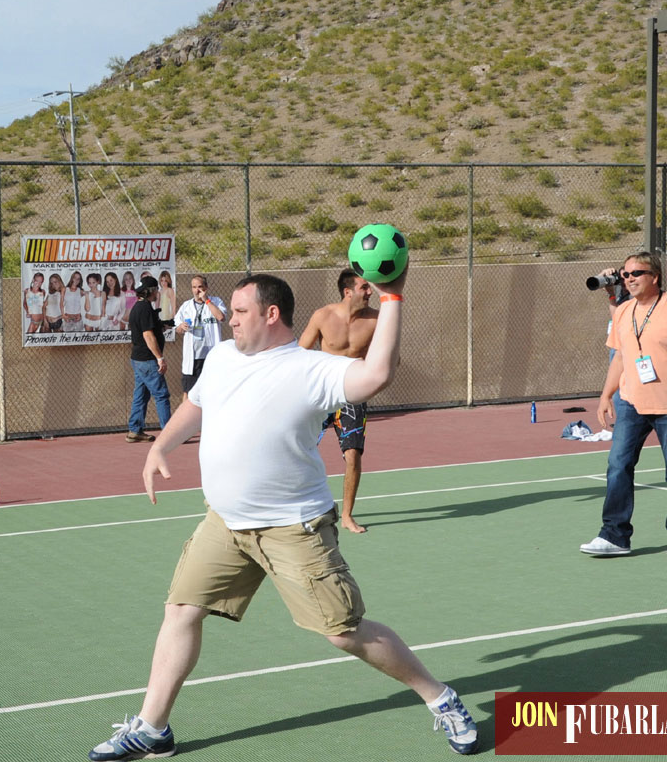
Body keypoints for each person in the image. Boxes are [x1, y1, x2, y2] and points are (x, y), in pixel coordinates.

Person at [89, 272, 479, 760]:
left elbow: (376, 374)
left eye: (239, 312)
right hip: (225, 523)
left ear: (271, 315)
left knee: (344, 630)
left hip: (293, 527)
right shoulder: (225, 357)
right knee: (181, 610)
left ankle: (440, 697)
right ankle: (153, 727)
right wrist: (160, 445)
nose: (228, 320)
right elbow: (196, 403)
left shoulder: (311, 369)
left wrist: (393, 297)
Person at [580, 251, 667, 559]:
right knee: (618, 467)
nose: (629, 279)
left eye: (636, 274)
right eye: (625, 274)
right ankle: (614, 535)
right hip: (630, 404)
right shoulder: (624, 312)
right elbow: (621, 358)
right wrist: (605, 396)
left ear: (654, 277)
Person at [299, 269, 379, 534]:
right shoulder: (323, 316)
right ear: (348, 292)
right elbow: (300, 353)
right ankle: (297, 509)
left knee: (353, 455)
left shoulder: (375, 320)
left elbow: (387, 356)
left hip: (352, 394)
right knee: (300, 452)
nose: (370, 292)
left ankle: (346, 516)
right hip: (321, 395)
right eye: (364, 287)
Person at [125, 275, 171, 444]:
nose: (158, 292)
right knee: (162, 395)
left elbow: (151, 329)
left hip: (138, 359)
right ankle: (168, 434)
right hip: (147, 360)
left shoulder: (140, 307)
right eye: (156, 289)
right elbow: (147, 334)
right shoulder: (144, 308)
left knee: (141, 395)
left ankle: (135, 431)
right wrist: (160, 358)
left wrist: (162, 326)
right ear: (151, 291)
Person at [171, 275, 226, 399]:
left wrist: (207, 300)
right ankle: (186, 418)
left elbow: (221, 317)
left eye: (200, 287)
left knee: (212, 391)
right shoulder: (186, 306)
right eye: (194, 287)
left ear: (206, 288)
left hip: (211, 356)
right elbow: (177, 327)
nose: (197, 290)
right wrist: (181, 326)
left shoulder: (216, 301)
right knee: (188, 392)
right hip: (193, 358)